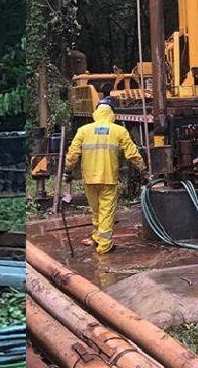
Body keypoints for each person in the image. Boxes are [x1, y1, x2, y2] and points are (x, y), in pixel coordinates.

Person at [63, 99, 147, 254]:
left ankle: (97, 237)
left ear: (96, 112)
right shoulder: (119, 131)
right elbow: (132, 154)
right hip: (108, 178)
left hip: (89, 178)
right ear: (112, 113)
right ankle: (105, 245)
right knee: (106, 212)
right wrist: (143, 170)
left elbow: (72, 154)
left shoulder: (83, 130)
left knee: (96, 210)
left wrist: (68, 172)